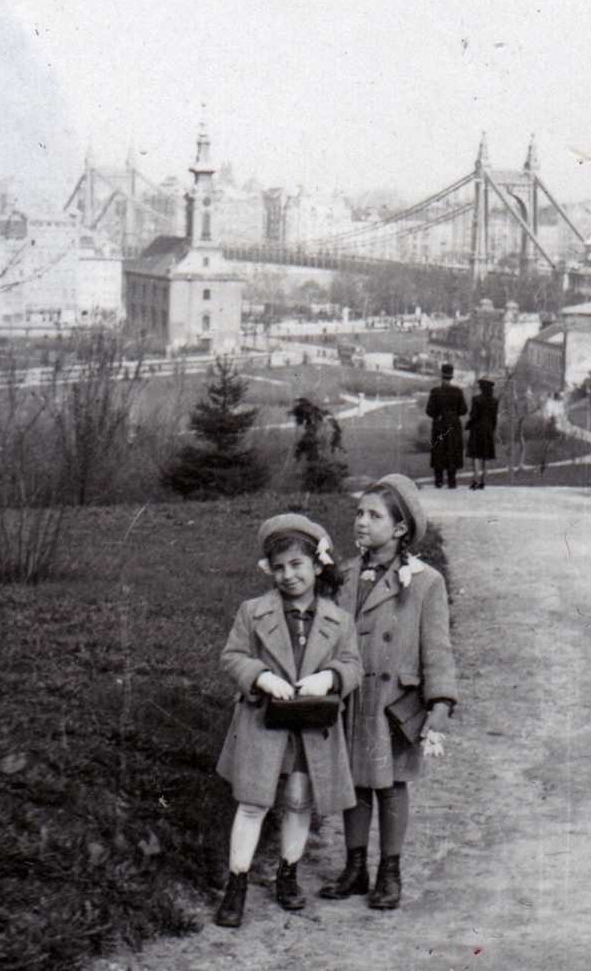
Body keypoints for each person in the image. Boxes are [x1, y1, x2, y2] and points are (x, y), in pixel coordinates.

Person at [215, 515, 363, 928]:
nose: (288, 575)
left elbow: (354, 665)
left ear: (317, 566)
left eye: (297, 565)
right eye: (278, 567)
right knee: (252, 802)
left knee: (299, 799)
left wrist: (330, 677)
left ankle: (287, 873)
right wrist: (260, 677)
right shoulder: (253, 612)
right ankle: (237, 883)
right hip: (263, 722)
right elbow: (232, 656)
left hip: (310, 726)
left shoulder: (338, 620)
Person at [323, 473, 458, 910]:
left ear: (400, 528)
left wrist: (440, 702)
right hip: (353, 697)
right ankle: (355, 867)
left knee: (392, 784)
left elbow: (437, 648)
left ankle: (390, 870)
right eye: (359, 513)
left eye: (374, 516)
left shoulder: (423, 582)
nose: (361, 522)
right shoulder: (343, 575)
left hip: (394, 703)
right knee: (355, 781)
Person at [425, 363, 467, 489]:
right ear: (451, 376)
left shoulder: (435, 392)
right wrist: (453, 414)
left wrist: (437, 415)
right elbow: (464, 410)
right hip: (453, 425)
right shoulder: (458, 392)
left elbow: (429, 411)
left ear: (441, 376)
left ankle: (438, 481)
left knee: (439, 451)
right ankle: (451, 480)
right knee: (452, 451)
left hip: (439, 424)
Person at [465, 377, 499, 490]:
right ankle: (483, 480)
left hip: (477, 429)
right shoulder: (495, 401)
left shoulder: (476, 399)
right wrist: (493, 429)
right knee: (486, 455)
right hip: (488, 429)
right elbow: (494, 418)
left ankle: (475, 480)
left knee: (475, 455)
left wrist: (468, 425)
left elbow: (473, 415)